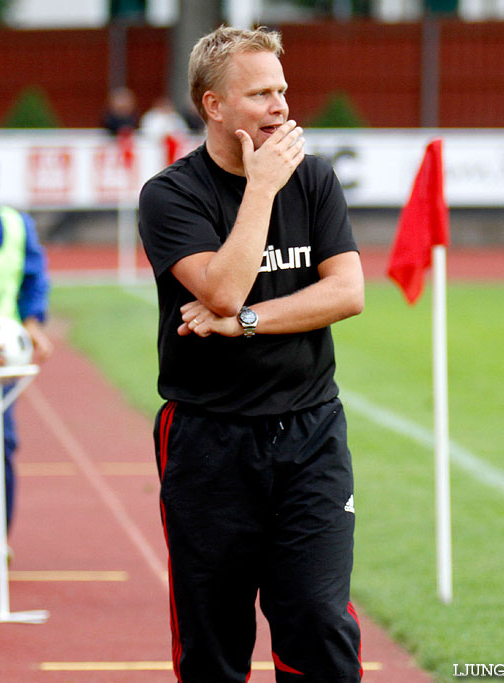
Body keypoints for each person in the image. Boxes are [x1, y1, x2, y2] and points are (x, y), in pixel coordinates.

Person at [138, 25, 365, 683]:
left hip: (311, 432)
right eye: (261, 93)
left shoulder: (315, 179)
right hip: (209, 440)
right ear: (213, 105)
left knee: (319, 622)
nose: (281, 108)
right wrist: (261, 187)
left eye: (283, 91)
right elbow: (223, 283)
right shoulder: (172, 195)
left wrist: (244, 322)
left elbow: (347, 292)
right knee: (214, 642)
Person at [0, 162, 52, 544]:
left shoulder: (16, 226)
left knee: (2, 444)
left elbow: (32, 279)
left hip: (1, 361)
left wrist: (32, 324)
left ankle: (0, 540)